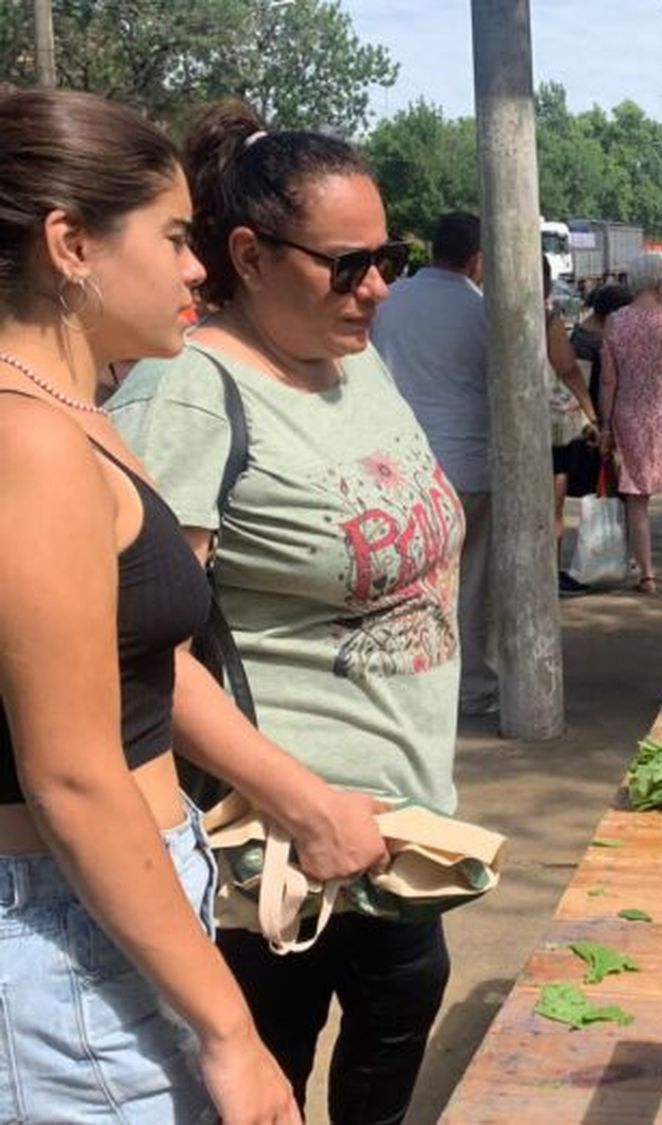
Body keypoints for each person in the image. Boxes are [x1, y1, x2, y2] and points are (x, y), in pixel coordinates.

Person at [0, 85, 394, 1125]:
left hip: (115, 897)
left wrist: (299, 796)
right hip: (67, 926)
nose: (193, 266)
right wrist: (230, 1033)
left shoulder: (69, 410)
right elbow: (75, 777)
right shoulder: (28, 443)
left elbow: (132, 665)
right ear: (71, 242)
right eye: (175, 237)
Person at [108, 100, 464, 1125]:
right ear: (252, 255)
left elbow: (427, 530)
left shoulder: (357, 362)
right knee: (263, 1090)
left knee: (394, 1040)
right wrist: (304, 802)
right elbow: (140, 651)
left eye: (385, 255)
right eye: (346, 264)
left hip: (399, 825)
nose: (378, 287)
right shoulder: (188, 393)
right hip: (273, 850)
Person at [371, 211, 497, 716]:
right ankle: (471, 687)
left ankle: (405, 682)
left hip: (398, 468)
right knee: (469, 585)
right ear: (477, 260)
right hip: (468, 465)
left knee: (404, 583)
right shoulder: (483, 311)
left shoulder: (388, 300)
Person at [600, 252, 662, 593]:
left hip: (628, 413)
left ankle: (647, 575)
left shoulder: (615, 321)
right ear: (661, 280)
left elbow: (608, 380)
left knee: (636, 497)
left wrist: (605, 423)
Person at [545, 257, 602, 595]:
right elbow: (568, 369)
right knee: (553, 501)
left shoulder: (482, 313)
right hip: (547, 426)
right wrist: (591, 415)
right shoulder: (547, 318)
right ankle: (549, 573)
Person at [570, 281, 633, 413]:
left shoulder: (584, 334)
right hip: (596, 413)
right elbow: (579, 388)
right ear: (614, 313)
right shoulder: (586, 341)